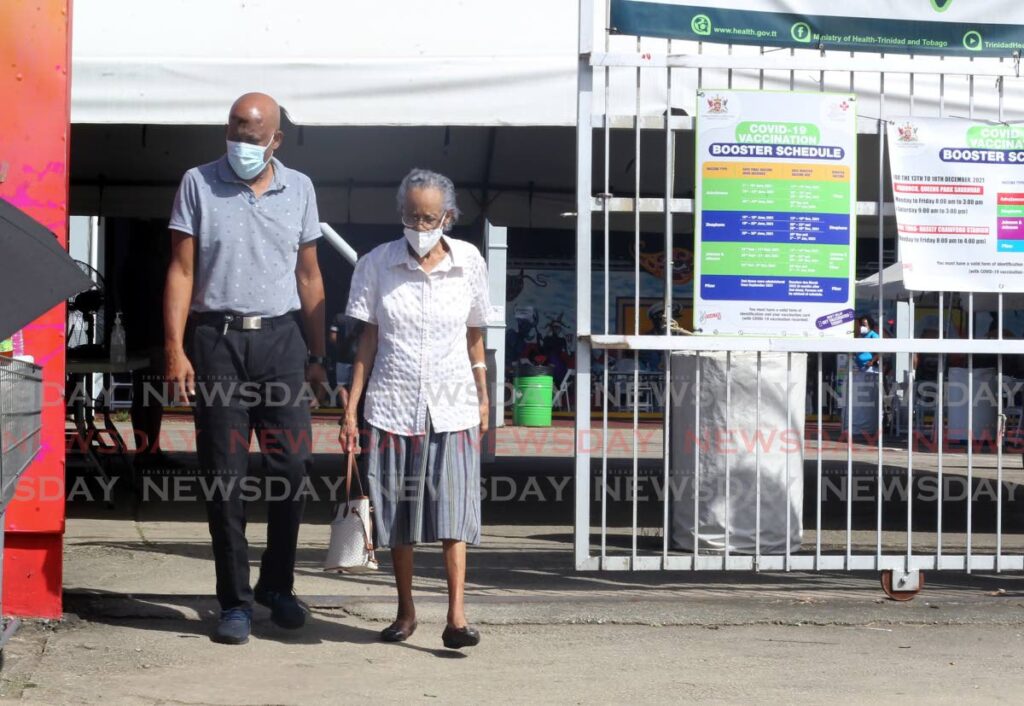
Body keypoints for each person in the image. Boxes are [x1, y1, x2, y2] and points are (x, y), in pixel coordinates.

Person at [164, 92, 327, 645]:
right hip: (217, 342)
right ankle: (233, 601)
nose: (241, 143)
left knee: (291, 470)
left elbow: (309, 277)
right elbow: (182, 270)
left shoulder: (299, 188)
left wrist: (318, 353)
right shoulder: (198, 182)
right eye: (234, 130)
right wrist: (175, 348)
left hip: (281, 344)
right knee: (224, 476)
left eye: (253, 135)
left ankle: (276, 586)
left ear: (275, 139)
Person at [339, 168, 490, 650]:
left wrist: (485, 394)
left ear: (448, 216)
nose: (419, 227)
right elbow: (366, 341)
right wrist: (350, 409)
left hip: (453, 406)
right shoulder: (376, 263)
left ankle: (457, 618)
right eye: (411, 216)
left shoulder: (469, 262)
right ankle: (405, 611)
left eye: (428, 217)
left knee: (453, 512)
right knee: (397, 513)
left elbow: (476, 336)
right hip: (390, 404)